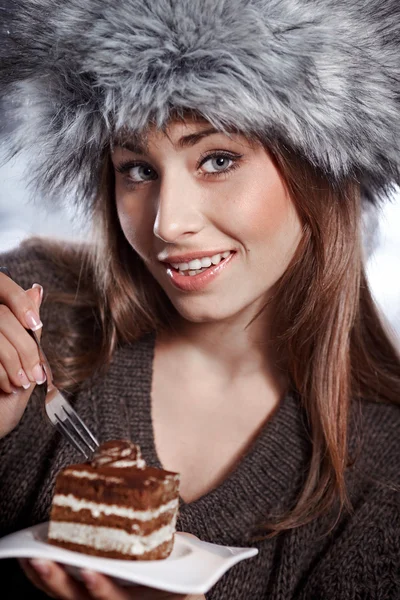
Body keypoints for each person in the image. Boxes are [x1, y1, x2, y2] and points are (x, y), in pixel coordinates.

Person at [0, 0, 400, 598]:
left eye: (217, 159)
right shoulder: (30, 324)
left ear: (322, 167)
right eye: (136, 168)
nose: (168, 223)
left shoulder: (385, 471)